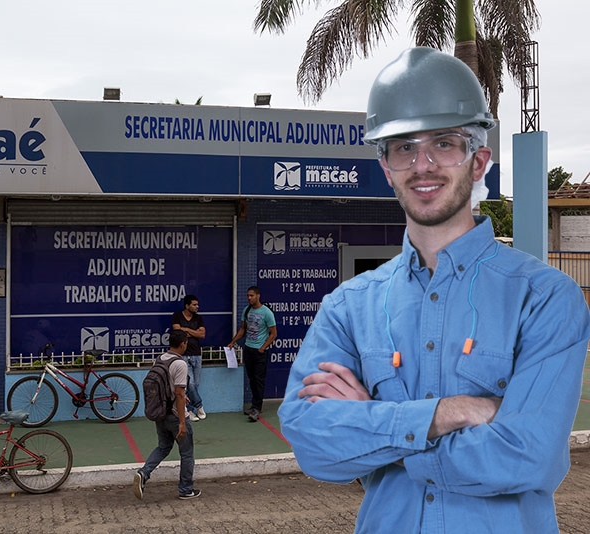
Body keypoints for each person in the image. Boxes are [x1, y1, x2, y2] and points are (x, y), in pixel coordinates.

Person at [279, 46, 590, 534]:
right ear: (386, 167)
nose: (422, 165)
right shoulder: (348, 307)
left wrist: (377, 427)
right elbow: (312, 443)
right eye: (403, 146)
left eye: (444, 143)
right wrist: (450, 412)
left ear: (478, 160)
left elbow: (528, 457)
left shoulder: (545, 298)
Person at [133, 329, 202, 500]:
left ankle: (144, 473)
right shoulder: (180, 364)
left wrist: (181, 395)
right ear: (182, 344)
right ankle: (186, 489)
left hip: (161, 413)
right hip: (174, 414)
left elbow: (169, 387)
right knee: (187, 453)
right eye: (186, 342)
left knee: (163, 447)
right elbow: (178, 393)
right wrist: (182, 422)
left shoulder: (161, 358)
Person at [228, 286, 277, 422]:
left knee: (258, 379)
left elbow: (273, 334)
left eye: (251, 295)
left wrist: (263, 347)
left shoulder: (267, 313)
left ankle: (256, 408)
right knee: (251, 379)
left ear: (258, 296)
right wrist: (233, 342)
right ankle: (255, 405)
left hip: (260, 352)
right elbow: (243, 329)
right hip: (248, 349)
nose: (249, 298)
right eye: (248, 296)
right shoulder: (247, 310)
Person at [172, 294, 206, 421]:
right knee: (189, 384)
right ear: (187, 306)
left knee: (195, 384)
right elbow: (178, 333)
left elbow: (202, 334)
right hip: (184, 356)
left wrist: (186, 329)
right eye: (194, 305)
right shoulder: (177, 316)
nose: (197, 307)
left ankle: (190, 411)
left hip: (197, 354)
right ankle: (199, 406)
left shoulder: (198, 318)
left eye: (197, 304)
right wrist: (193, 332)